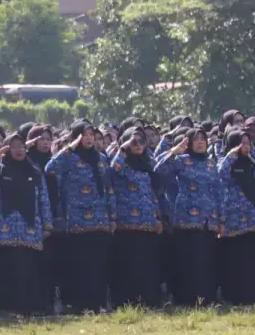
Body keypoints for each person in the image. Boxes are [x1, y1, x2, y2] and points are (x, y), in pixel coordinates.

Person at [0, 133, 51, 315]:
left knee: (28, 268)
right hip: (3, 230)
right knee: (7, 269)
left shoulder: (34, 171)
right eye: (14, 146)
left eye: (22, 146)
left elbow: (43, 199)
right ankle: (7, 308)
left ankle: (29, 308)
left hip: (30, 229)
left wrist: (47, 224)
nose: (19, 150)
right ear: (6, 149)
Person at [47, 121, 113, 312]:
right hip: (79, 219)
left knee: (99, 264)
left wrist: (112, 216)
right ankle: (83, 305)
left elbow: (108, 188)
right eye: (84, 135)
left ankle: (99, 304)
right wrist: (70, 147)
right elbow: (50, 169)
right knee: (82, 264)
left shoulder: (101, 158)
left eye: (91, 134)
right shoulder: (69, 158)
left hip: (100, 219)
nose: (89, 138)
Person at [155, 128, 220, 306]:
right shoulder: (182, 161)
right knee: (188, 260)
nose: (200, 142)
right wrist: (173, 152)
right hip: (186, 218)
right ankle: (186, 299)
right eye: (196, 139)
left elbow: (218, 190)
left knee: (206, 260)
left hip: (208, 219)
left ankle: (206, 298)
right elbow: (159, 169)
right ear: (189, 143)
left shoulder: (211, 163)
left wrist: (220, 217)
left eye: (203, 139)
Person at [108, 128, 163, 308]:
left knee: (147, 265)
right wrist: (124, 149)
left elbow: (152, 193)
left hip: (148, 223)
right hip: (127, 224)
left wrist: (157, 217)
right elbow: (113, 168)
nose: (138, 145)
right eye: (134, 142)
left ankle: (148, 301)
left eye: (141, 141)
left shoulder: (148, 164)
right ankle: (128, 303)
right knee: (129, 265)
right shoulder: (122, 164)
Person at [216, 129, 255, 305]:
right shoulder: (226, 163)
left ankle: (254, 295)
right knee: (236, 258)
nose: (245, 146)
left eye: (247, 143)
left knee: (252, 257)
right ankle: (235, 296)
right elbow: (220, 176)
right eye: (241, 143)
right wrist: (231, 155)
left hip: (252, 215)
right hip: (233, 217)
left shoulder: (252, 163)